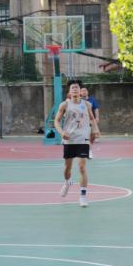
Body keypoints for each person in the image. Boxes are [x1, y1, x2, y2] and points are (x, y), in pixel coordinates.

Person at [53, 80, 100, 208]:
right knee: (67, 168)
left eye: (77, 87)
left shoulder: (87, 104)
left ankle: (83, 196)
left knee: (82, 167)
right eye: (72, 88)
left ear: (80, 91)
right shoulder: (64, 105)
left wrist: (95, 130)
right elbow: (56, 121)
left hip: (82, 139)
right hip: (69, 140)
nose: (75, 89)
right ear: (69, 91)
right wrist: (61, 132)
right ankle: (67, 182)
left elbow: (92, 119)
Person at [80, 86, 99, 157]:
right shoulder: (79, 100)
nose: (84, 92)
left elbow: (96, 109)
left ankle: (88, 146)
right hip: (83, 121)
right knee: (86, 136)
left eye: (85, 90)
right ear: (80, 92)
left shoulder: (92, 99)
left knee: (93, 136)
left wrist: (97, 117)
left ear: (87, 92)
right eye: (82, 91)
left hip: (91, 119)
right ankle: (89, 150)